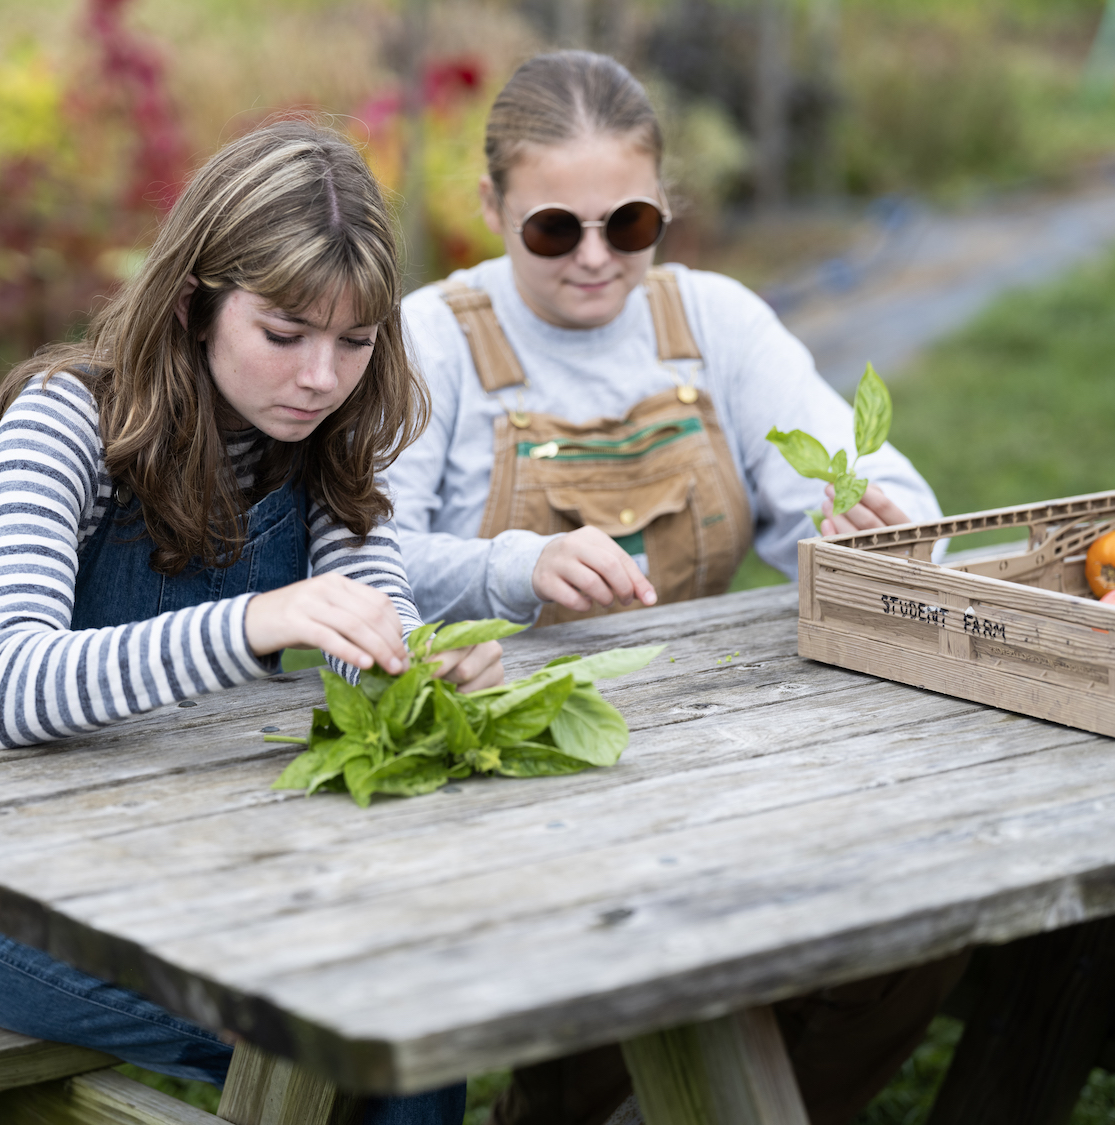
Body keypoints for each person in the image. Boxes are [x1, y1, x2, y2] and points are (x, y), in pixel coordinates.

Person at [387, 51, 967, 1125]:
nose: (599, 260)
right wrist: (516, 569)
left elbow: (864, 478)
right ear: (489, 205)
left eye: (633, 225)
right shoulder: (434, 341)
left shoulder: (714, 324)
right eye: (556, 229)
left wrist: (872, 521)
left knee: (916, 934)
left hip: (714, 746)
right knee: (647, 994)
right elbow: (363, 557)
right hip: (509, 772)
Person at [0, 121, 500, 1124]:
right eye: (284, 335)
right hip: (16, 906)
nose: (321, 377)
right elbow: (5, 685)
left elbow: (377, 617)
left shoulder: (330, 441)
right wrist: (254, 621)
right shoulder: (66, 422)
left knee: (407, 1024)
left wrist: (419, 670)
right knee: (361, 1059)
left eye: (354, 342)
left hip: (223, 885)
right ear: (194, 303)